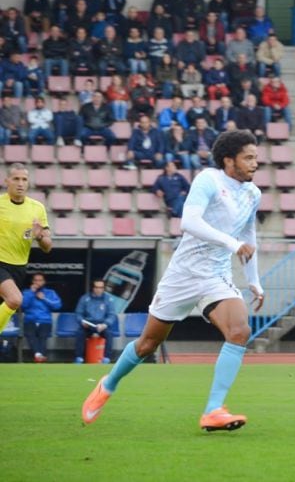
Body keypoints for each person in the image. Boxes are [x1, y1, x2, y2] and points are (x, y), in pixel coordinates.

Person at [82, 130, 266, 431]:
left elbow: (249, 236)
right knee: (148, 345)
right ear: (228, 160)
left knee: (239, 330)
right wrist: (233, 246)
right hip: (183, 274)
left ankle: (213, 409)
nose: (255, 163)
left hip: (216, 275)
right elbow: (189, 222)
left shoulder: (252, 193)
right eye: (249, 157)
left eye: (256, 157)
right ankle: (108, 384)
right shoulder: (209, 180)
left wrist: (254, 280)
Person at [0, 163, 52, 334]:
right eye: (16, 179)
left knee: (11, 304)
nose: (20, 183)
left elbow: (47, 246)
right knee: (15, 299)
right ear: (7, 181)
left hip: (19, 267)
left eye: (24, 179)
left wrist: (39, 236)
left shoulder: (37, 208)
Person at [74, 279, 117, 364]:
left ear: (103, 288)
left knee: (109, 334)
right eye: (96, 287)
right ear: (93, 288)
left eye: (101, 287)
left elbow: (112, 315)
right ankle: (79, 358)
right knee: (80, 333)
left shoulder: (108, 299)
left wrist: (105, 324)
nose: (98, 289)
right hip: (88, 324)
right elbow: (78, 313)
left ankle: (106, 358)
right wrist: (82, 321)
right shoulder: (85, 298)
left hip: (102, 325)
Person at [21, 273, 61, 363]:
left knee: (43, 337)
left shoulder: (50, 292)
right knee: (31, 336)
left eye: (40, 280)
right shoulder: (26, 292)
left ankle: (38, 355)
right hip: (30, 320)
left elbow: (57, 306)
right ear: (32, 281)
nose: (38, 282)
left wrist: (44, 298)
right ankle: (39, 356)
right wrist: (31, 292)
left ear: (44, 282)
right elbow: (23, 305)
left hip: (45, 320)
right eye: (36, 280)